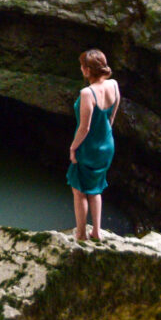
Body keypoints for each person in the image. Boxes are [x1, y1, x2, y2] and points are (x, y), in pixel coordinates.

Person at [68, 49, 119, 242]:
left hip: (88, 148)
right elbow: (112, 115)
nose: (81, 70)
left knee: (79, 190)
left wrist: (73, 148)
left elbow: (85, 128)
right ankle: (97, 231)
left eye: (82, 66)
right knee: (96, 188)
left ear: (88, 70)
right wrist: (105, 137)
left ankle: (81, 234)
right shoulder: (113, 85)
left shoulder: (87, 93)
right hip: (107, 144)